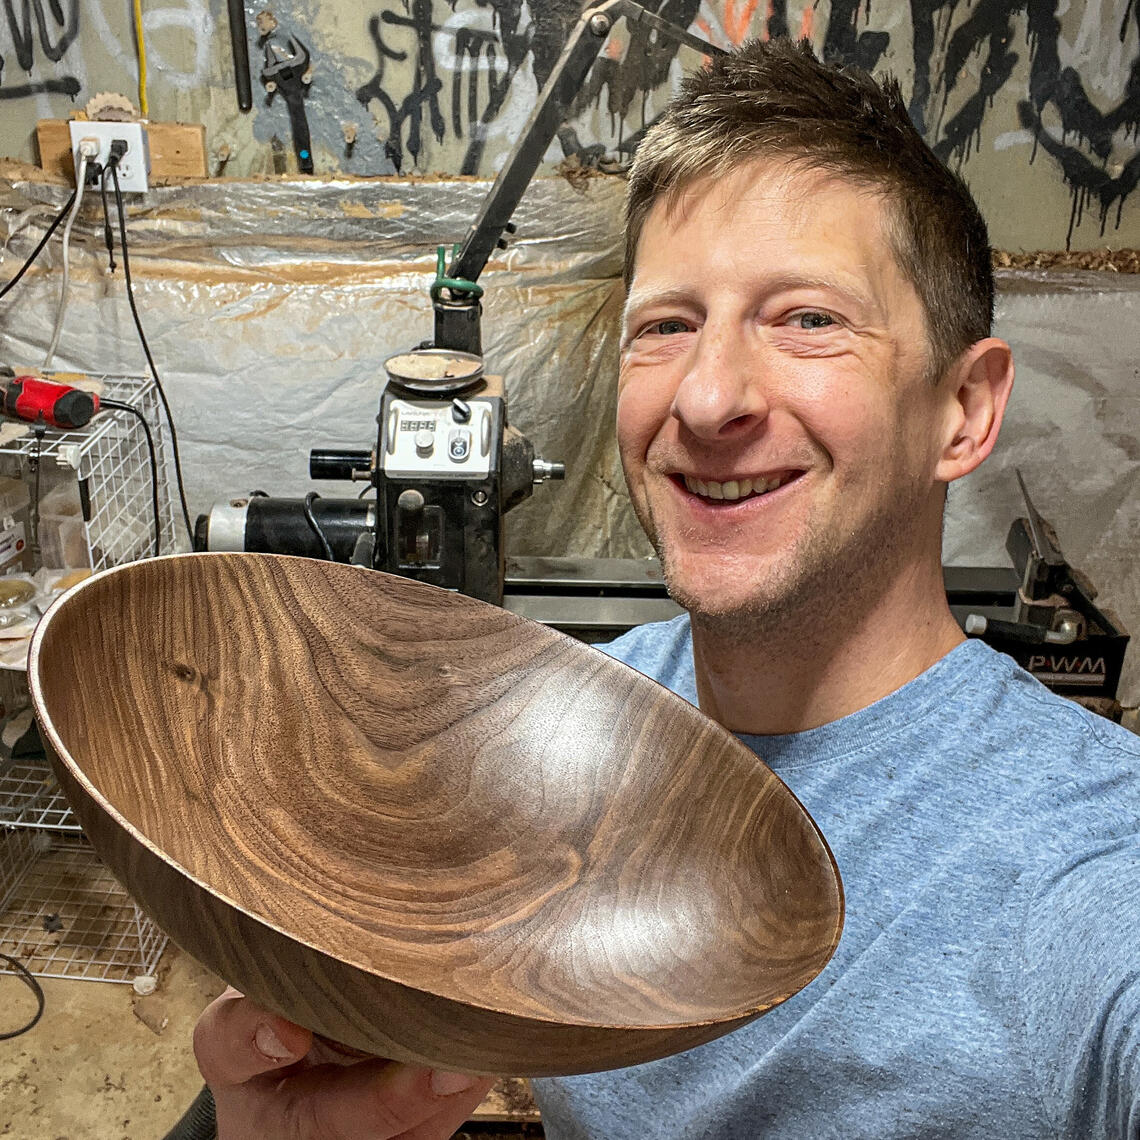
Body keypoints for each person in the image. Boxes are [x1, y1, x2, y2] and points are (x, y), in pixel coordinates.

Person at [189, 36, 1140, 1140]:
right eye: (667, 326)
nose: (707, 397)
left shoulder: (1086, 861)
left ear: (963, 411)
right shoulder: (566, 731)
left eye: (809, 319)